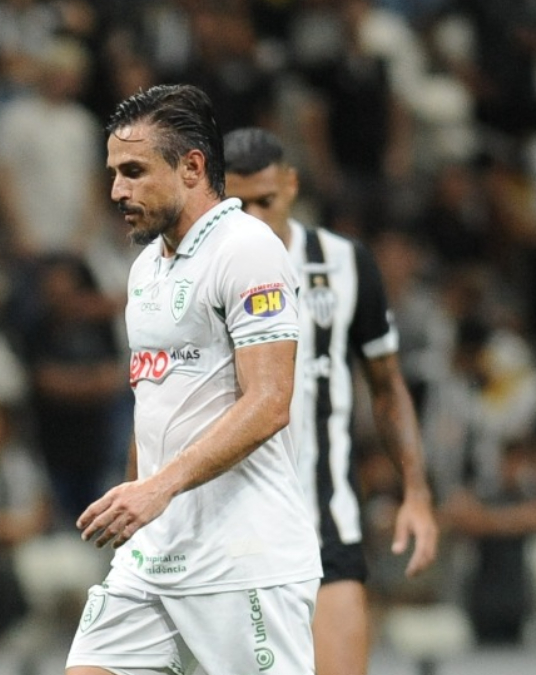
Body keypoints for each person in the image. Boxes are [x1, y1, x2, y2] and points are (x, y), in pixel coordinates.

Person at [67, 85, 322, 675]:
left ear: (192, 167)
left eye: (133, 171)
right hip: (153, 556)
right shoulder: (145, 269)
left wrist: (159, 488)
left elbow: (269, 402)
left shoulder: (247, 251)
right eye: (113, 173)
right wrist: (137, 499)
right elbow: (153, 404)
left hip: (244, 561)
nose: (116, 191)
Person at [223, 127, 439, 675]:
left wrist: (416, 492)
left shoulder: (344, 264)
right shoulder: (195, 271)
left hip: (324, 523)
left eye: (264, 201)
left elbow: (387, 387)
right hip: (225, 535)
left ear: (292, 186)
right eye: (237, 203)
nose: (252, 215)